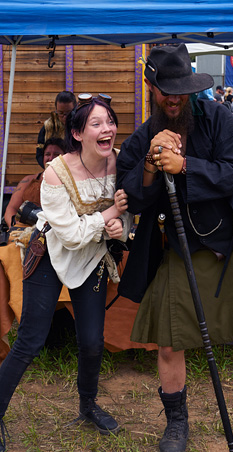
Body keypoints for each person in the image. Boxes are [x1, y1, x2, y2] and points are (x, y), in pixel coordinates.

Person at [116, 44, 233, 452]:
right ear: (151, 86)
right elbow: (133, 195)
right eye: (167, 89)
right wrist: (150, 164)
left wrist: (186, 168)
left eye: (182, 88)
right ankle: (177, 426)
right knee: (169, 341)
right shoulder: (144, 137)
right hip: (179, 250)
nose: (175, 97)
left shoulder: (217, 117)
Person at [0, 94, 131, 451]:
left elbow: (131, 208)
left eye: (110, 122)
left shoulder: (121, 163)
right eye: (96, 124)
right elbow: (71, 235)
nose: (107, 129)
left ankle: (88, 406)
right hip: (51, 255)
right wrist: (107, 218)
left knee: (91, 342)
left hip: (91, 260)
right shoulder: (56, 173)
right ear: (77, 133)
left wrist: (121, 225)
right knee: (30, 340)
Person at [4, 137, 66, 228]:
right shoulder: (28, 180)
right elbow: (11, 208)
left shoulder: (72, 182)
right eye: (47, 154)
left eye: (57, 154)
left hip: (56, 232)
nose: (51, 158)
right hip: (25, 229)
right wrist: (14, 227)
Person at [36, 91, 77, 167]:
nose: (65, 117)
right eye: (61, 113)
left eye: (68, 113)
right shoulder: (48, 126)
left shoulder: (80, 125)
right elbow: (39, 153)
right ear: (56, 110)